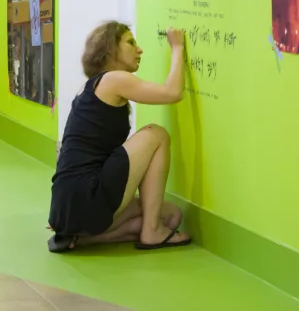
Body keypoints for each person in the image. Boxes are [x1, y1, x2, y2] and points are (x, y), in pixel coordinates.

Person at [47, 21, 191, 252]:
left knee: (172, 216)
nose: (139, 49)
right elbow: (173, 92)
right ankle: (151, 232)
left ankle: (84, 238)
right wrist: (177, 47)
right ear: (110, 50)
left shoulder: (91, 87)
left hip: (69, 203)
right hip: (87, 194)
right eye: (131, 42)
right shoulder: (114, 79)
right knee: (157, 134)